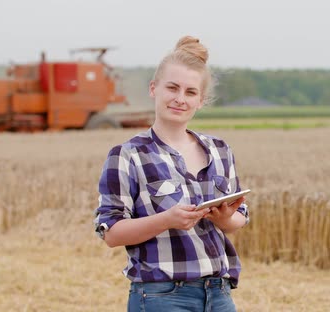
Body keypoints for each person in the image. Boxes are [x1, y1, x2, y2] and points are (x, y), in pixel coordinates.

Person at [94, 36, 249, 312]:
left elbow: (239, 219)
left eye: (190, 92)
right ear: (154, 89)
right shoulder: (128, 155)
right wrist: (167, 220)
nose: (180, 99)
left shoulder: (220, 150)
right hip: (161, 296)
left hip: (219, 293)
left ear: (201, 100)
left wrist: (226, 217)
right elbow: (112, 234)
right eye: (172, 88)